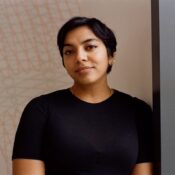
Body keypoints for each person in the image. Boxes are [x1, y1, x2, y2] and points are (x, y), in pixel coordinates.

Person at [12, 16, 154, 175]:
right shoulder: (40, 111)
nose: (79, 57)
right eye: (69, 51)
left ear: (111, 56)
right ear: (64, 62)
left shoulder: (138, 112)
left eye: (90, 47)